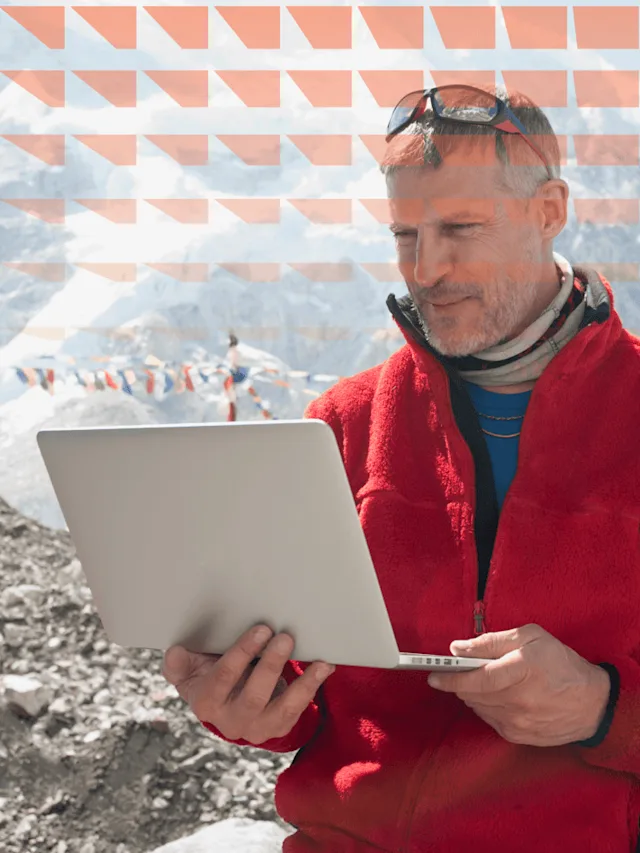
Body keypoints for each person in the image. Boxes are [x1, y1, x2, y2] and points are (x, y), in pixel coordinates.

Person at [161, 84, 640, 851]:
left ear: (551, 211)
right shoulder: (342, 425)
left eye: (460, 227)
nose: (428, 268)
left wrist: (603, 709)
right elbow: (302, 696)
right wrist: (248, 708)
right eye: (406, 234)